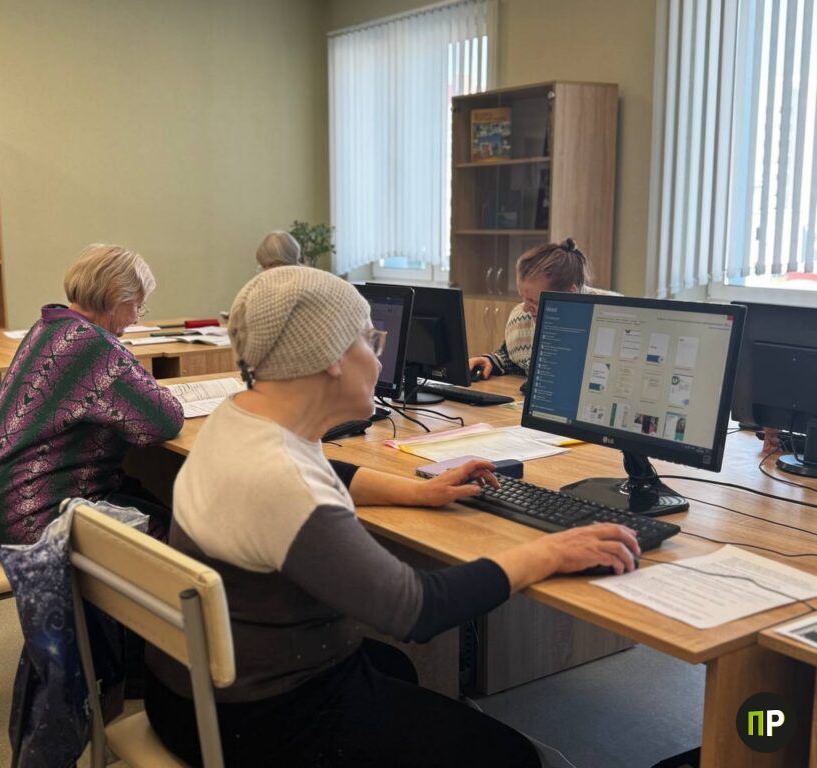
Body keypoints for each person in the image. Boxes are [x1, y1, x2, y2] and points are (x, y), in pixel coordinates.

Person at [144, 266, 640, 767]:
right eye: (370, 340)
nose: (378, 357)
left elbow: (326, 472)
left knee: (393, 667)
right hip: (253, 721)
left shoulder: (241, 418)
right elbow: (415, 608)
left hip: (191, 690)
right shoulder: (282, 481)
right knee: (512, 756)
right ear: (332, 357)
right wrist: (549, 551)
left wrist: (420, 491)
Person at [0, 243, 184, 560]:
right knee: (175, 540)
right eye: (137, 307)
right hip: (15, 517)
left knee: (142, 497)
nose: (135, 319)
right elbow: (165, 420)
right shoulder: (94, 346)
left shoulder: (50, 327)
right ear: (116, 299)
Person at [469, 238, 615, 380]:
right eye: (523, 298)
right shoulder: (521, 318)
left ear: (570, 294)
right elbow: (514, 358)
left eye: (534, 301)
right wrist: (492, 361)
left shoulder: (613, 313)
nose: (525, 308)